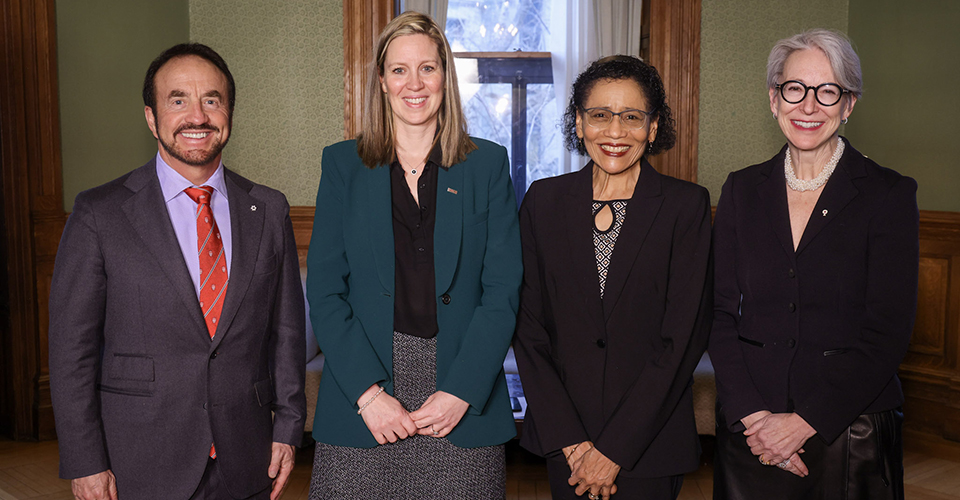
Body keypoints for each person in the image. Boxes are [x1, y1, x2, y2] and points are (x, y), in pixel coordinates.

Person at [48, 43, 306, 500]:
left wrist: (288, 427)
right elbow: (72, 350)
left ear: (229, 111)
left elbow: (286, 334)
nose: (198, 116)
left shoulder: (267, 209)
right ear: (151, 117)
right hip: (140, 462)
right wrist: (86, 460)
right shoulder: (99, 213)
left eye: (212, 99)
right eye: (178, 100)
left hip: (246, 458)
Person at [305, 11, 522, 499]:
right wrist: (368, 394)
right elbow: (325, 289)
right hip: (365, 398)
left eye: (428, 67)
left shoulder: (487, 164)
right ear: (381, 81)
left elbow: (503, 290)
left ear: (446, 75)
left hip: (462, 401)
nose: (414, 83)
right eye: (399, 69)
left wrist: (463, 389)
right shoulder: (342, 164)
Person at [708, 29, 919, 499]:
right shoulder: (741, 190)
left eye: (828, 91)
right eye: (794, 89)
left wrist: (804, 423)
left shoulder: (888, 195)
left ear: (849, 104)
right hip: (751, 431)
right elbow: (718, 313)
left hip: (848, 428)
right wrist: (754, 418)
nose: (809, 106)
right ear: (773, 98)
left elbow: (887, 332)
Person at [514, 55, 713, 500]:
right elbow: (528, 331)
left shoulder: (687, 207)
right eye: (600, 115)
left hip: (649, 445)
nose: (616, 132)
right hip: (567, 446)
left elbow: (681, 340)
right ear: (580, 123)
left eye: (632, 117)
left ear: (654, 127)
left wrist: (612, 450)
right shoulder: (543, 203)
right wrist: (572, 441)